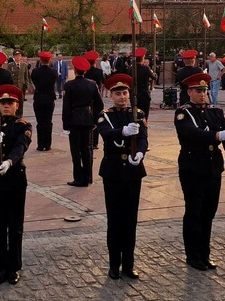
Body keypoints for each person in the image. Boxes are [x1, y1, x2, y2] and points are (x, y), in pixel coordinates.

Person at [174, 73, 225, 271]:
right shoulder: (183, 113)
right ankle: (193, 255)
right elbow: (191, 133)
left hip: (213, 167)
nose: (203, 94)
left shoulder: (215, 111)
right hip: (192, 167)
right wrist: (218, 135)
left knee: (209, 212)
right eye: (198, 91)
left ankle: (205, 253)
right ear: (189, 92)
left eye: (205, 90)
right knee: (194, 212)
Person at [96, 74, 148, 280]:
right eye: (118, 93)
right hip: (114, 171)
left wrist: (141, 153)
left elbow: (143, 138)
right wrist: (123, 131)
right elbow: (106, 133)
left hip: (134, 171)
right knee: (115, 219)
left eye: (125, 93)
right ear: (111, 95)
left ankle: (129, 264)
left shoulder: (138, 113)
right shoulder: (105, 115)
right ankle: (113, 264)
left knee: (130, 220)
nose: (123, 97)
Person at [0, 84, 32, 285]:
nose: (6, 106)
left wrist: (9, 161)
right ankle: (2, 266)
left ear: (17, 105)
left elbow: (22, 146)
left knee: (16, 226)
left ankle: (14, 267)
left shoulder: (23, 125)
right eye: (3, 103)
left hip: (16, 177)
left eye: (10, 102)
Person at [62, 56, 104, 187]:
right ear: (85, 71)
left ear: (74, 70)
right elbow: (100, 104)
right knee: (87, 149)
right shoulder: (92, 84)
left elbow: (66, 106)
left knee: (76, 151)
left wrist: (65, 123)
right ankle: (88, 177)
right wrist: (94, 118)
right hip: (87, 118)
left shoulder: (69, 85)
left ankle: (78, 178)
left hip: (74, 119)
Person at [30, 51, 57, 151]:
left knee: (40, 122)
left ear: (40, 60)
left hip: (38, 98)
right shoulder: (53, 71)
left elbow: (33, 80)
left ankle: (41, 145)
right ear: (49, 60)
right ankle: (48, 144)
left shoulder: (35, 71)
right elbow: (55, 80)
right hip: (49, 98)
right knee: (48, 121)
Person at [128, 48, 155, 120]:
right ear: (143, 58)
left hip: (133, 93)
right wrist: (154, 73)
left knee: (135, 115)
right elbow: (154, 77)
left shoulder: (131, 69)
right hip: (144, 94)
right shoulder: (146, 68)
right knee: (144, 115)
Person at [7, 50, 30, 117]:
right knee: (13, 101)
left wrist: (26, 87)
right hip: (13, 87)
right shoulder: (10, 65)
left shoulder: (24, 65)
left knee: (21, 102)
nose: (18, 57)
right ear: (14, 57)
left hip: (21, 86)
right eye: (16, 56)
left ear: (21, 57)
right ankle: (14, 115)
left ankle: (20, 115)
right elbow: (8, 76)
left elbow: (26, 77)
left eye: (19, 55)